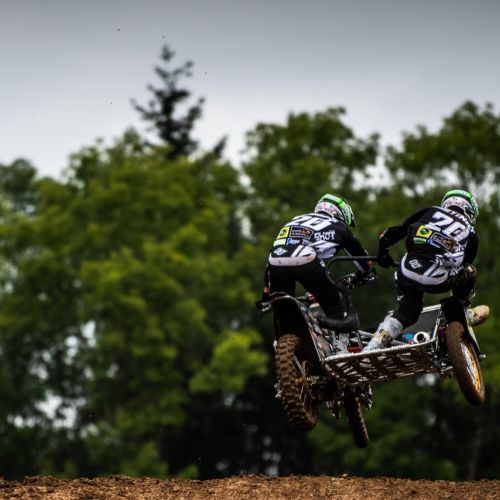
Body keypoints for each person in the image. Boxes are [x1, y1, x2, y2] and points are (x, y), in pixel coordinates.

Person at [364, 189, 489, 351]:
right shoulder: (470, 232)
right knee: (470, 271)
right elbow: (465, 263)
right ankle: (462, 310)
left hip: (407, 269)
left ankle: (373, 345)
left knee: (406, 313)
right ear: (470, 211)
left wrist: (383, 256)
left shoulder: (431, 211)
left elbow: (389, 234)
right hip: (437, 279)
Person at [263, 194, 375, 319]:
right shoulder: (338, 225)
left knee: (284, 315)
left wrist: (266, 292)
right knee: (334, 304)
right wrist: (368, 273)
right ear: (341, 213)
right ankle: (337, 328)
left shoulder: (295, 220)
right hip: (304, 258)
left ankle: (289, 330)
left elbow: (276, 250)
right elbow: (364, 261)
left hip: (275, 261)